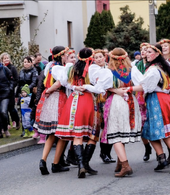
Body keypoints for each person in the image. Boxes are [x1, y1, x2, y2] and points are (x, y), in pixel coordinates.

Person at [126, 44, 170, 173]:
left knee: (165, 134)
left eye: (150, 52)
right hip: (159, 100)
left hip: (158, 101)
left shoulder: (154, 69)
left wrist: (128, 89)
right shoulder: (159, 67)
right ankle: (161, 158)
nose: (147, 54)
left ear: (157, 54)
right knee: (149, 132)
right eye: (146, 52)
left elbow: (147, 87)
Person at [55, 47, 113, 178]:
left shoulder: (71, 68)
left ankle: (81, 165)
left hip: (74, 100)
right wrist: (86, 87)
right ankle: (85, 164)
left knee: (77, 134)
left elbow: (65, 83)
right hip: (89, 100)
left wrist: (75, 87)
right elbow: (99, 88)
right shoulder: (93, 69)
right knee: (93, 133)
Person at [101, 48, 141, 177]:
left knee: (114, 133)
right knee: (122, 131)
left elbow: (101, 87)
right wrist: (129, 89)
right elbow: (144, 84)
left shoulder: (108, 72)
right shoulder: (132, 69)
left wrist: (115, 90)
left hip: (117, 102)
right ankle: (120, 161)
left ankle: (125, 165)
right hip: (130, 100)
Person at [35, 46, 69, 175]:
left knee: (51, 134)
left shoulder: (49, 66)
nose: (66, 56)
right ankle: (55, 164)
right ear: (61, 56)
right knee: (61, 134)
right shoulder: (60, 68)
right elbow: (60, 83)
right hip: (59, 99)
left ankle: (43, 160)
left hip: (49, 100)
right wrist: (50, 90)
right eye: (65, 54)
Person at [93, 49, 116, 164]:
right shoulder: (93, 71)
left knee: (110, 125)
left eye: (100, 57)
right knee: (104, 126)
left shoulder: (109, 69)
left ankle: (107, 152)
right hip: (100, 99)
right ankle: (103, 152)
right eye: (96, 57)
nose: (98, 59)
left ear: (104, 57)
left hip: (110, 97)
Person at [135, 42, 153, 161]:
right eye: (141, 49)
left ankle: (158, 150)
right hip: (139, 94)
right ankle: (147, 147)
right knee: (141, 124)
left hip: (150, 93)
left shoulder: (153, 65)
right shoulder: (137, 64)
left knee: (152, 123)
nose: (143, 51)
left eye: (146, 49)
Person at [17, 56, 38, 137]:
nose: (26, 64)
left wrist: (26, 90)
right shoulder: (21, 71)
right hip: (22, 94)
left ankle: (32, 129)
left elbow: (34, 82)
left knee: (29, 113)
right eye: (25, 62)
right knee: (23, 113)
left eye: (28, 62)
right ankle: (24, 130)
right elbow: (19, 83)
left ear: (31, 63)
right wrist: (18, 93)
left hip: (30, 94)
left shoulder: (34, 71)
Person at [0, 52, 20, 132]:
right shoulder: (2, 68)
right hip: (3, 92)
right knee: (3, 110)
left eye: (7, 58)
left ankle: (16, 120)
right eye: (5, 58)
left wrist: (11, 88)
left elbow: (15, 79)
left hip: (10, 91)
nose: (6, 60)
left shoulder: (12, 68)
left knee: (11, 109)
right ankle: (7, 124)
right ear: (2, 60)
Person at [0, 61, 13, 138]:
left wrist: (10, 89)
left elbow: (12, 79)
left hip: (5, 93)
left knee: (3, 112)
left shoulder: (5, 69)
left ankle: (5, 129)